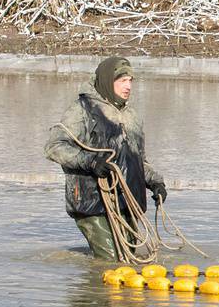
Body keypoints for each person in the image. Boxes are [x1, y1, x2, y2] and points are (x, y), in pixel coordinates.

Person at [44, 55, 168, 259]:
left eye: (130, 81)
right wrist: (91, 161)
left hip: (127, 200)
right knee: (111, 261)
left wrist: (156, 183)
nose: (128, 86)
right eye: (122, 81)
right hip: (92, 201)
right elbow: (54, 147)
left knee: (128, 259)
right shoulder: (83, 109)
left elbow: (138, 159)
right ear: (107, 81)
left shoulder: (132, 116)